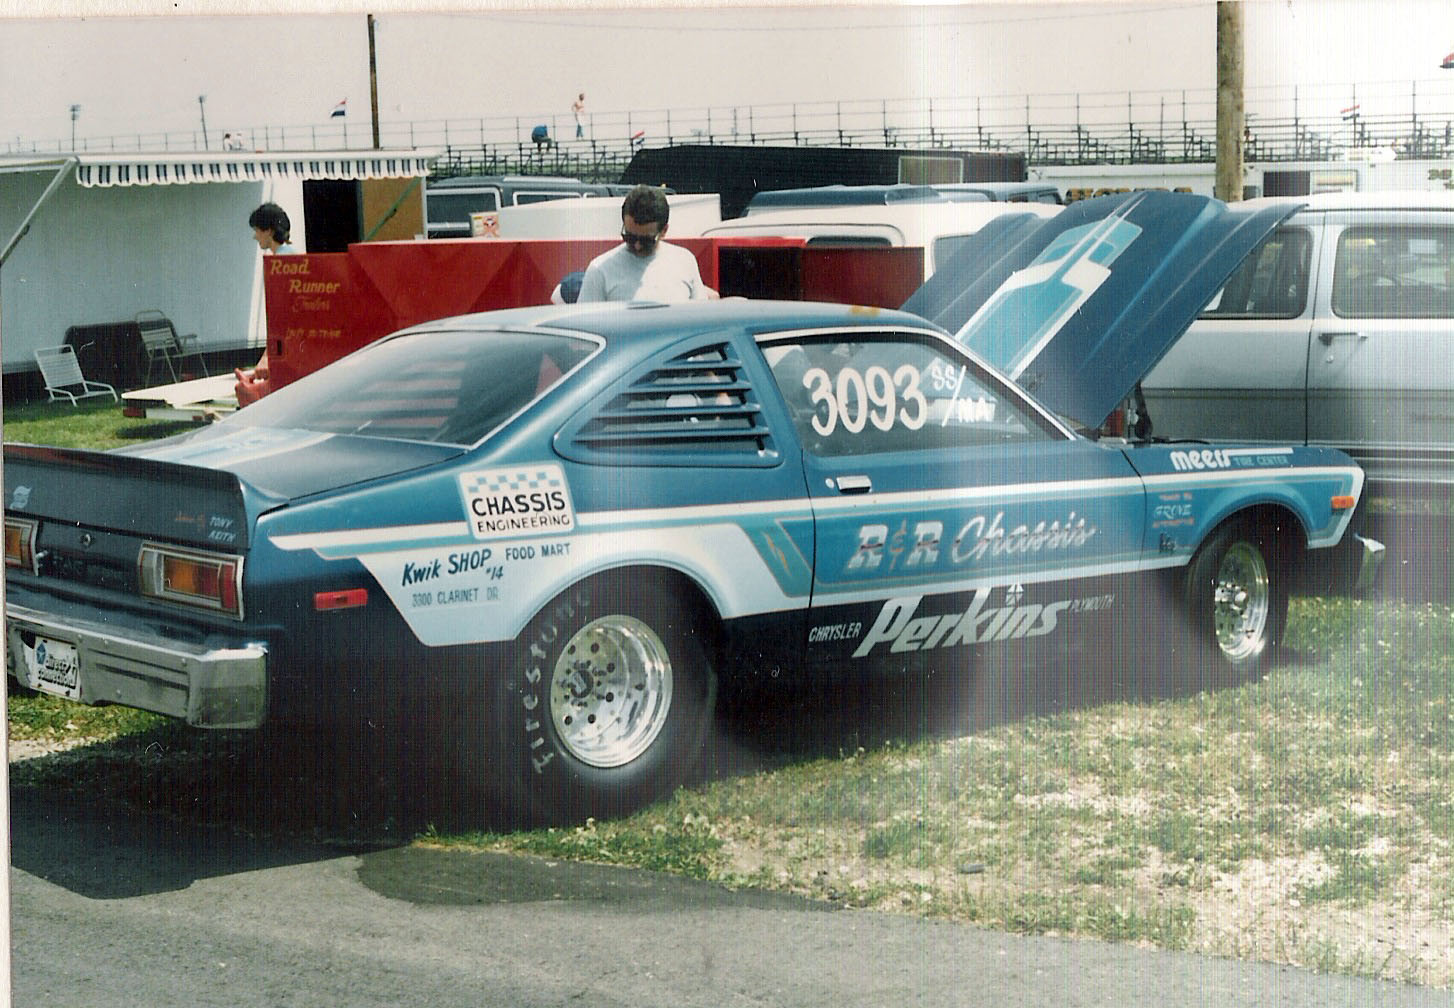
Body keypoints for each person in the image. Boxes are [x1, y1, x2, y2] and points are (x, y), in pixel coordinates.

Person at [576, 185, 717, 303]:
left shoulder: (685, 261)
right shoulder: (600, 270)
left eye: (646, 241)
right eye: (629, 237)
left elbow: (699, 319)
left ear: (664, 231)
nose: (637, 245)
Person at [235, 202, 295, 406]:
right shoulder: (294, 256)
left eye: (257, 231)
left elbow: (282, 318)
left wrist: (265, 359)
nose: (255, 236)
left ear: (268, 231)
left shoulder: (279, 264)